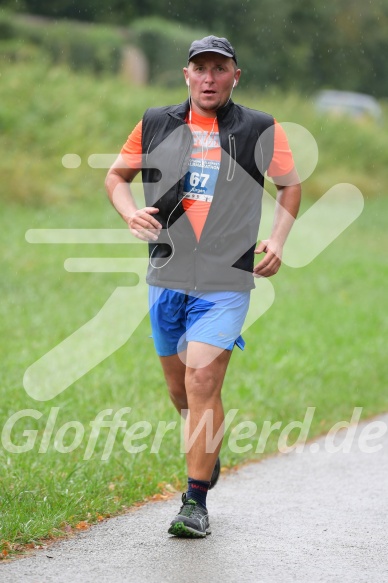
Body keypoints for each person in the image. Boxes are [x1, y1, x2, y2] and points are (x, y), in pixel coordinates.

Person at [105, 35, 301, 538]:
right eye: (201, 69)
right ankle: (205, 454)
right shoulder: (155, 123)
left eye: (220, 68)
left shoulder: (259, 127)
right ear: (186, 75)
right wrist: (131, 214)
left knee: (202, 382)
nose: (209, 78)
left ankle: (195, 501)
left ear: (237, 74)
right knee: (180, 392)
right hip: (166, 274)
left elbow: (290, 183)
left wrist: (277, 239)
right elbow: (116, 177)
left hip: (225, 278)